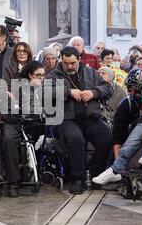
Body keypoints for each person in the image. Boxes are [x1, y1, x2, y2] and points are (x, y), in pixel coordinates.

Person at [45, 46, 113, 194]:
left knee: (107, 140)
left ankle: (94, 173)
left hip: (90, 117)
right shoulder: (54, 75)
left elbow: (108, 88)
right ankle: (77, 178)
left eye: (73, 63)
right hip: (66, 119)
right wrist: (68, 92)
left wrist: (93, 92)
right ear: (61, 60)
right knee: (76, 139)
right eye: (66, 63)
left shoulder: (90, 72)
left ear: (79, 60)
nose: (69, 66)